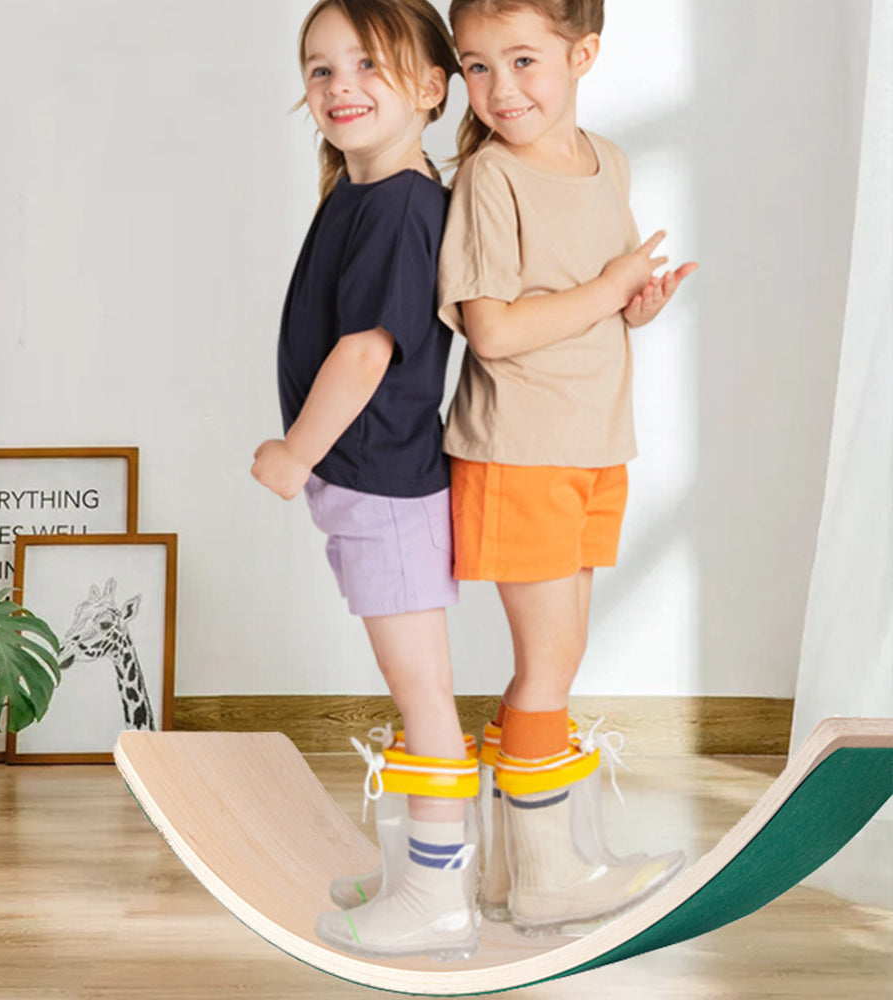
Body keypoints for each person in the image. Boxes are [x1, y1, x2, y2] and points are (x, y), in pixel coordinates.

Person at [438, 0, 697, 936]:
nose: (500, 90)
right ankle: (548, 879)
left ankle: (514, 871)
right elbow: (493, 329)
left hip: (592, 443)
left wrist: (635, 306)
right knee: (551, 665)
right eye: (476, 67)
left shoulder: (609, 160)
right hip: (519, 449)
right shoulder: (489, 176)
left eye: (523, 62)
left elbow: (588, 299)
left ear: (583, 53)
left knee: (558, 659)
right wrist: (608, 287)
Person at [251, 0, 479, 961]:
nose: (341, 86)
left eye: (369, 66)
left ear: (430, 89)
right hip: (371, 488)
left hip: (384, 487)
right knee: (408, 682)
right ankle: (415, 869)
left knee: (422, 689)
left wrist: (295, 451)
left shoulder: (401, 204)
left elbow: (367, 351)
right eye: (320, 70)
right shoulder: (359, 193)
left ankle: (439, 892)